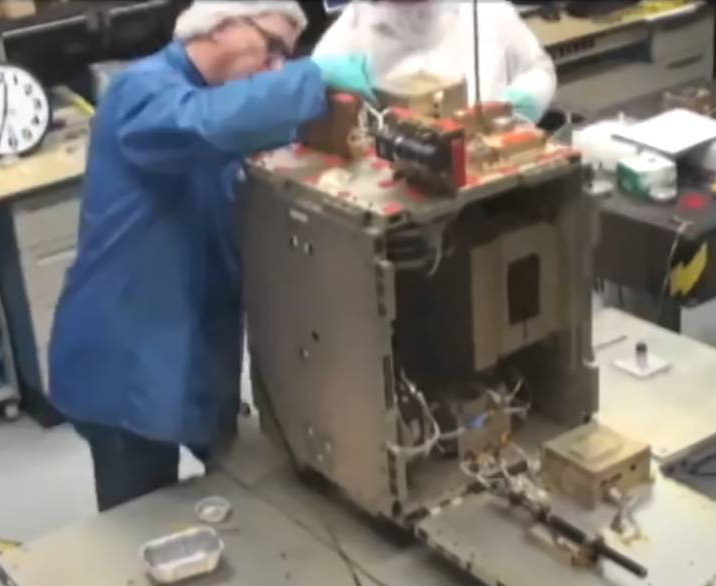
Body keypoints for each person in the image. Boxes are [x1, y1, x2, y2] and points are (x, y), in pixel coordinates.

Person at [48, 1, 376, 512]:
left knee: (244, 496)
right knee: (138, 524)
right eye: (272, 49)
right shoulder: (142, 91)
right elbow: (203, 127)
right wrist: (310, 78)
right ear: (222, 24)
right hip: (126, 358)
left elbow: (262, 145)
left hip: (198, 346)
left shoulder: (225, 105)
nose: (273, 68)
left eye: (283, 60)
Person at [313, 0, 555, 122]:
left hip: (496, 189)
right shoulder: (342, 44)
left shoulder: (487, 9)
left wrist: (516, 106)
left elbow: (538, 69)